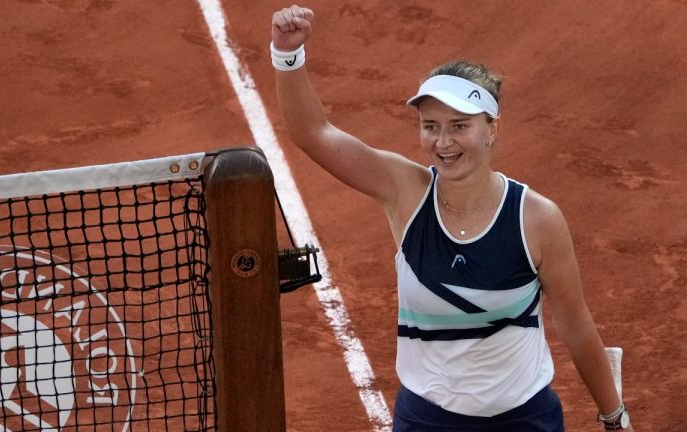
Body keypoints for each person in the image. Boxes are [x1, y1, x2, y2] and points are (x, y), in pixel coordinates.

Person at [270, 5, 633, 432]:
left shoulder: (536, 219)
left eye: (460, 126)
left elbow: (576, 326)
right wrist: (286, 55)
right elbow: (313, 133)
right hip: (426, 421)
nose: (443, 142)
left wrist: (614, 417)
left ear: (491, 128)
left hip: (524, 420)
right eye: (430, 126)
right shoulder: (404, 191)